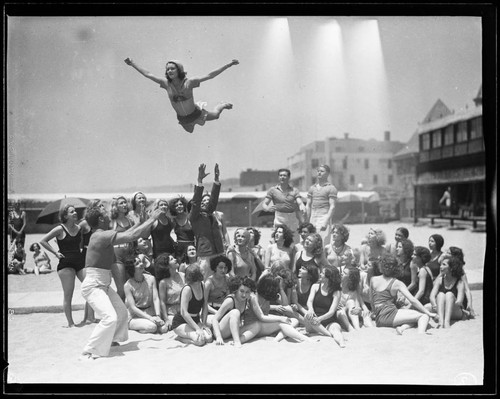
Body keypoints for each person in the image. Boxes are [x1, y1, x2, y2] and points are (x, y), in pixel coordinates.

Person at [79, 203, 162, 359]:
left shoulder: (102, 234)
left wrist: (141, 222)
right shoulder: (101, 236)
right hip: (93, 285)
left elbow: (130, 232)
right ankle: (88, 350)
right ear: (101, 219)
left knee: (122, 312)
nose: (109, 213)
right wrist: (151, 220)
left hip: (102, 284)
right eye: (105, 212)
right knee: (110, 317)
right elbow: (131, 236)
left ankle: (112, 340)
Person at [125, 57, 239, 133]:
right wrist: (132, 63)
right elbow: (148, 74)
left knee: (216, 116)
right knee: (190, 131)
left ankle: (222, 105)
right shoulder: (165, 84)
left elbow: (210, 75)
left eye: (172, 69)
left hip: (195, 113)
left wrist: (228, 65)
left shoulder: (189, 82)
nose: (169, 71)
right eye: (167, 69)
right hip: (183, 119)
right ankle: (193, 119)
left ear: (179, 70)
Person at [40, 204, 87, 327]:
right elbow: (43, 241)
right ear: (65, 216)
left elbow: (81, 243)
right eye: (72, 212)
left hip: (79, 262)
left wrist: (82, 250)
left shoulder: (79, 228)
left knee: (90, 286)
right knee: (68, 294)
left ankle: (88, 318)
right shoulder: (60, 229)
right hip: (66, 264)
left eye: (75, 211)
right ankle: (71, 323)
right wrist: (55, 252)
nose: (75, 213)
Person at [369, 254, 436, 335]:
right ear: (396, 268)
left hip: (379, 318)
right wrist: (428, 313)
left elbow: (371, 300)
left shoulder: (373, 280)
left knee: (412, 318)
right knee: (423, 316)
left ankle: (402, 328)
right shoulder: (397, 283)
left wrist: (375, 313)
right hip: (390, 314)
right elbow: (413, 300)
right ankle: (421, 333)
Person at [188, 163, 225, 280]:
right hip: (206, 254)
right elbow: (196, 202)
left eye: (207, 202)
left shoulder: (211, 214)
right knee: (205, 280)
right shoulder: (194, 217)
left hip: (218, 251)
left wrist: (216, 180)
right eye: (202, 201)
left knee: (220, 279)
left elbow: (214, 200)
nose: (205, 203)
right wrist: (199, 181)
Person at [123, 255, 167, 334]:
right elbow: (133, 307)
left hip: (151, 311)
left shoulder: (151, 278)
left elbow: (155, 298)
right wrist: (150, 318)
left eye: (140, 262)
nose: (141, 264)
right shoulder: (127, 285)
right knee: (152, 327)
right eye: (137, 264)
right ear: (132, 269)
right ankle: (134, 327)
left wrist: (158, 316)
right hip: (135, 316)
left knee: (164, 328)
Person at [172, 264, 213, 346]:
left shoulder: (202, 285)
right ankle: (181, 338)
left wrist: (203, 324)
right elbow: (184, 313)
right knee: (200, 341)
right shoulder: (187, 289)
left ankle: (188, 335)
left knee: (209, 338)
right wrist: (197, 328)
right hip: (181, 321)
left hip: (196, 319)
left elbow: (204, 305)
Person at [305, 266, 346, 347]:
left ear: (328, 277)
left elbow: (332, 312)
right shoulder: (315, 286)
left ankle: (342, 343)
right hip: (313, 320)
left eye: (323, 273)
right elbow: (309, 301)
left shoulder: (336, 291)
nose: (320, 274)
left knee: (336, 329)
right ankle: (329, 334)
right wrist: (311, 309)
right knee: (307, 316)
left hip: (328, 320)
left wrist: (320, 319)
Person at [211, 276, 256, 346]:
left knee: (257, 325)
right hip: (221, 331)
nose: (244, 295)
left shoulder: (247, 300)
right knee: (235, 312)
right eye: (241, 291)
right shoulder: (230, 300)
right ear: (236, 290)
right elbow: (215, 319)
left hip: (233, 330)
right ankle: (237, 341)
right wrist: (218, 337)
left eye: (247, 292)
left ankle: (238, 340)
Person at [262, 168, 305, 242]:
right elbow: (264, 204)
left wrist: (302, 206)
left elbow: (299, 202)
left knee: (294, 242)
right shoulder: (272, 190)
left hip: (292, 218)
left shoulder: (294, 190)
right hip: (280, 218)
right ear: (278, 177)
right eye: (280, 175)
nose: (282, 177)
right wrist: (268, 209)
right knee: (279, 241)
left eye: (284, 175)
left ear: (288, 177)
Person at [428, 255, 467, 329]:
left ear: (451, 268)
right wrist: (435, 305)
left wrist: (448, 302)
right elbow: (432, 296)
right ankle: (441, 322)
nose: (440, 267)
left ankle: (447, 322)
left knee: (449, 294)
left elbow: (459, 301)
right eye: (440, 264)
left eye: (444, 264)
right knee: (441, 294)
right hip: (442, 310)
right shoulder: (440, 280)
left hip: (455, 311)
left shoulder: (459, 282)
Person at [109, 196, 136, 301]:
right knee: (121, 288)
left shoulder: (130, 220)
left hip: (130, 255)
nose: (124, 205)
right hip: (117, 257)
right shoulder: (112, 222)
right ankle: (117, 311)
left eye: (125, 203)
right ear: (116, 206)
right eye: (121, 203)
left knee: (130, 287)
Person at [440, 246, 476, 318]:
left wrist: (470, 304)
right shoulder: (444, 267)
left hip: (458, 300)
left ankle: (464, 312)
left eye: (448, 253)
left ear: (454, 256)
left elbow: (467, 290)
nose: (446, 254)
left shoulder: (460, 272)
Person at [305, 165, 338, 245]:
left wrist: (325, 221)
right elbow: (308, 205)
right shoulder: (312, 188)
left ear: (327, 174)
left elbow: (332, 206)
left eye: (322, 171)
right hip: (313, 217)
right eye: (318, 171)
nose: (319, 173)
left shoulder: (331, 188)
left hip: (324, 216)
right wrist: (307, 220)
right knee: (311, 242)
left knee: (322, 243)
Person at [156, 253, 186, 331]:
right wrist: (166, 319)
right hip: (171, 313)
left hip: (184, 309)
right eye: (172, 259)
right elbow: (162, 302)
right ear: (167, 265)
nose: (175, 259)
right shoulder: (163, 282)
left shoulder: (183, 275)